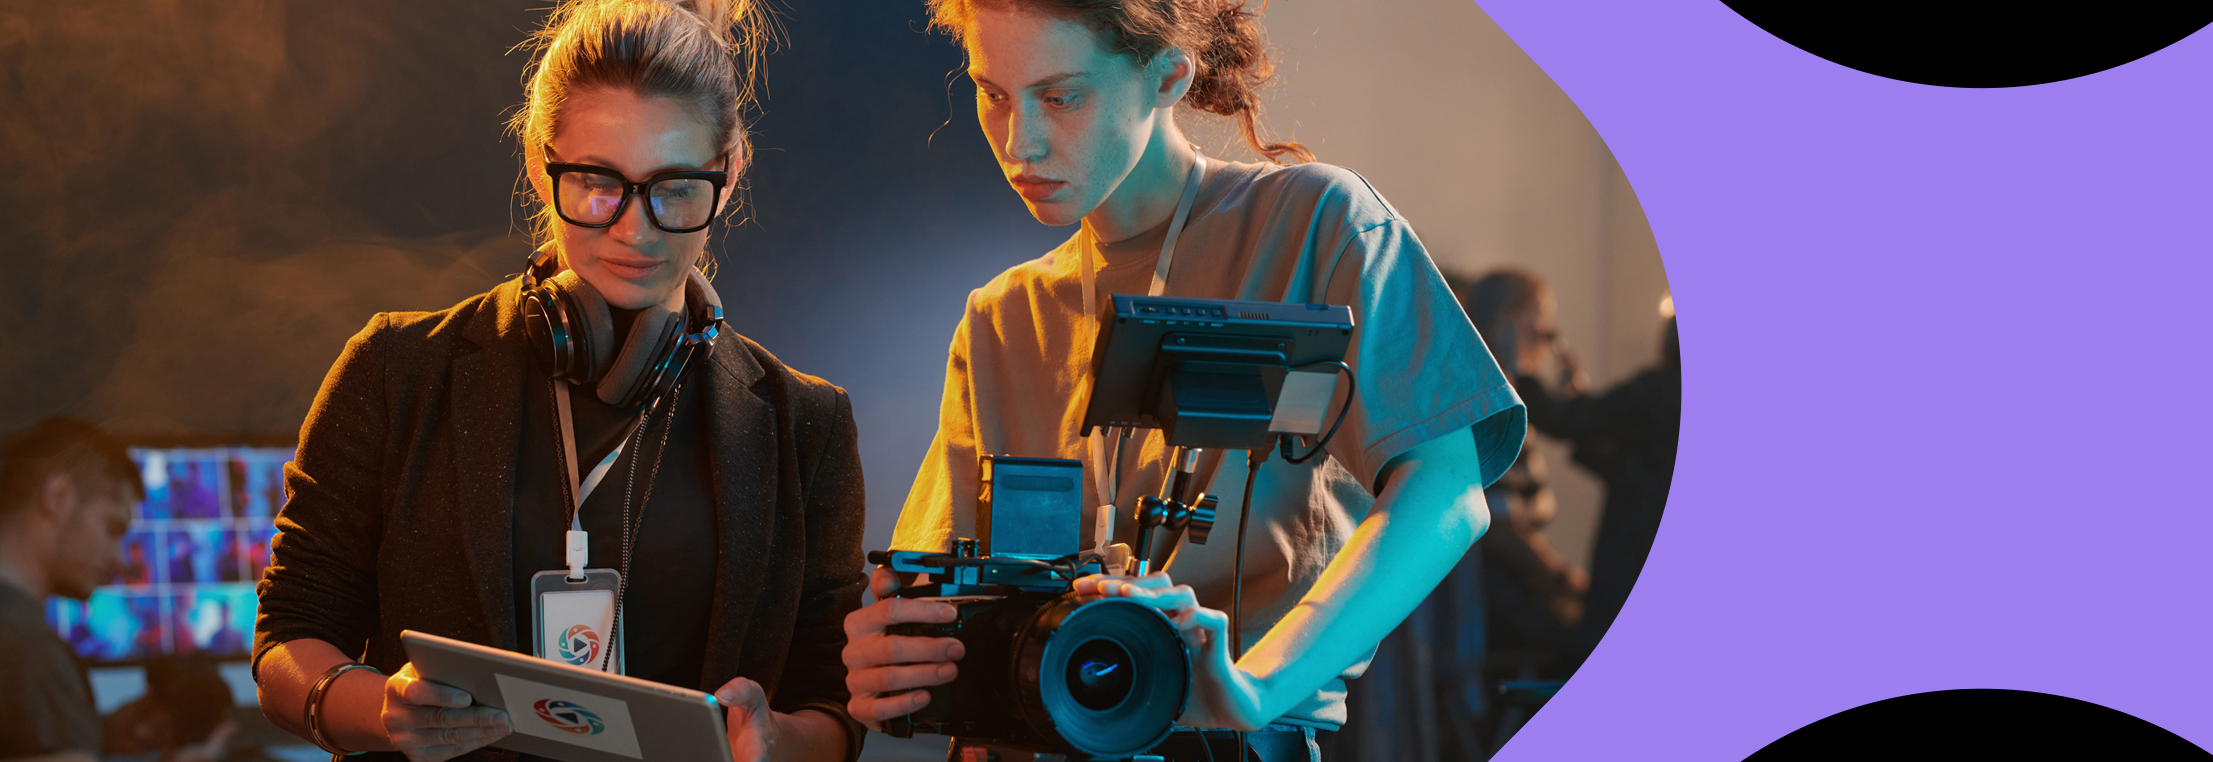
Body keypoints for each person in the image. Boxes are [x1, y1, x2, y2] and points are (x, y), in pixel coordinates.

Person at [840, 2, 1526, 760]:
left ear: (1167, 74)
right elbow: (943, 587)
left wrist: (1255, 686)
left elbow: (1447, 492)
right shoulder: (1001, 317)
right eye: (992, 93)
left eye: (1060, 97)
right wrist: (896, 652)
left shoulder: (1316, 225)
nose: (1018, 140)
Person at [250, 2, 867, 761]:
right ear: (541, 168)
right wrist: (381, 710)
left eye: (675, 188)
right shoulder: (396, 372)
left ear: (729, 172)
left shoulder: (804, 423)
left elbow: (834, 699)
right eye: (597, 184)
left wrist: (777, 744)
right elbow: (289, 633)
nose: (634, 231)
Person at [1518, 313, 1681, 671]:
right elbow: (1639, 463)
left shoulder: (1658, 389)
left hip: (1632, 550)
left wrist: (1520, 380)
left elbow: (1569, 420)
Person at [0, 417, 144, 762]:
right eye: (112, 528)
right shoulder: (28, 652)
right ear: (58, 496)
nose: (119, 558)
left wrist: (93, 733)